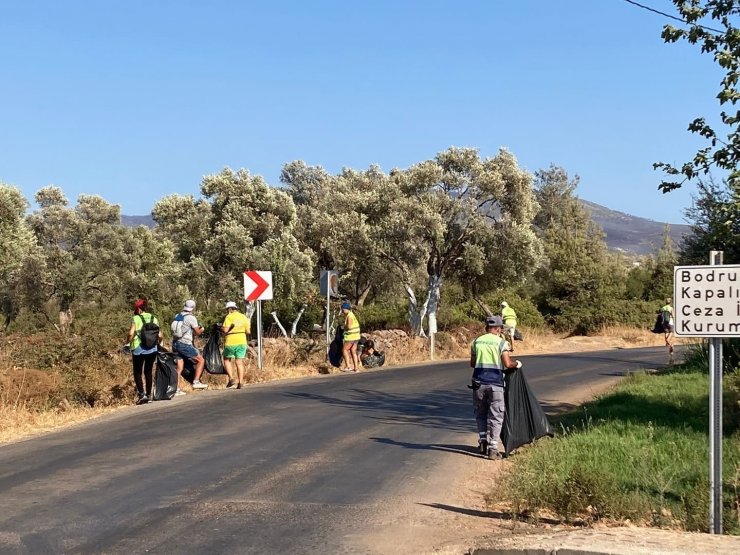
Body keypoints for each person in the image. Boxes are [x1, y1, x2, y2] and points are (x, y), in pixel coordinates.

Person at [470, 315, 521, 460]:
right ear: (498, 329)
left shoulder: (476, 342)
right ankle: (493, 448)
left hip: (478, 382)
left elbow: (472, 363)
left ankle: (482, 442)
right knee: (496, 416)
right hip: (495, 384)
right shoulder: (501, 343)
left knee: (480, 413)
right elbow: (507, 364)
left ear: (486, 328)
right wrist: (517, 363)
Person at [124, 298, 162, 405]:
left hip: (138, 348)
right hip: (152, 349)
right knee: (148, 372)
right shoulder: (153, 318)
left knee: (137, 372)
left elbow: (131, 333)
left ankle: (141, 395)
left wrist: (127, 343)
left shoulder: (136, 318)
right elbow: (160, 335)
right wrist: (158, 343)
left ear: (139, 309)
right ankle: (149, 395)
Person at [171, 299, 208, 393]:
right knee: (201, 360)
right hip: (184, 344)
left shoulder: (178, 315)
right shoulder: (191, 318)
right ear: (193, 308)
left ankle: (176, 389)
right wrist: (202, 329)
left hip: (175, 343)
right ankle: (196, 381)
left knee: (179, 367)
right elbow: (197, 332)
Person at [221, 301, 250, 389]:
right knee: (239, 362)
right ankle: (240, 382)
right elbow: (248, 331)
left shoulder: (229, 317)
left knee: (226, 359)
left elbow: (225, 330)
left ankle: (231, 378)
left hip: (231, 341)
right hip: (242, 340)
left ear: (229, 309)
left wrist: (222, 329)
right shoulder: (243, 316)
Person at [341, 301, 361, 372]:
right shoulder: (352, 315)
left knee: (344, 350)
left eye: (343, 309)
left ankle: (348, 366)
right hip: (356, 336)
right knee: (353, 351)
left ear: (346, 309)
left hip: (351, 337)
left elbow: (349, 327)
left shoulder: (349, 316)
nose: (342, 311)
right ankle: (356, 368)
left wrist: (344, 327)